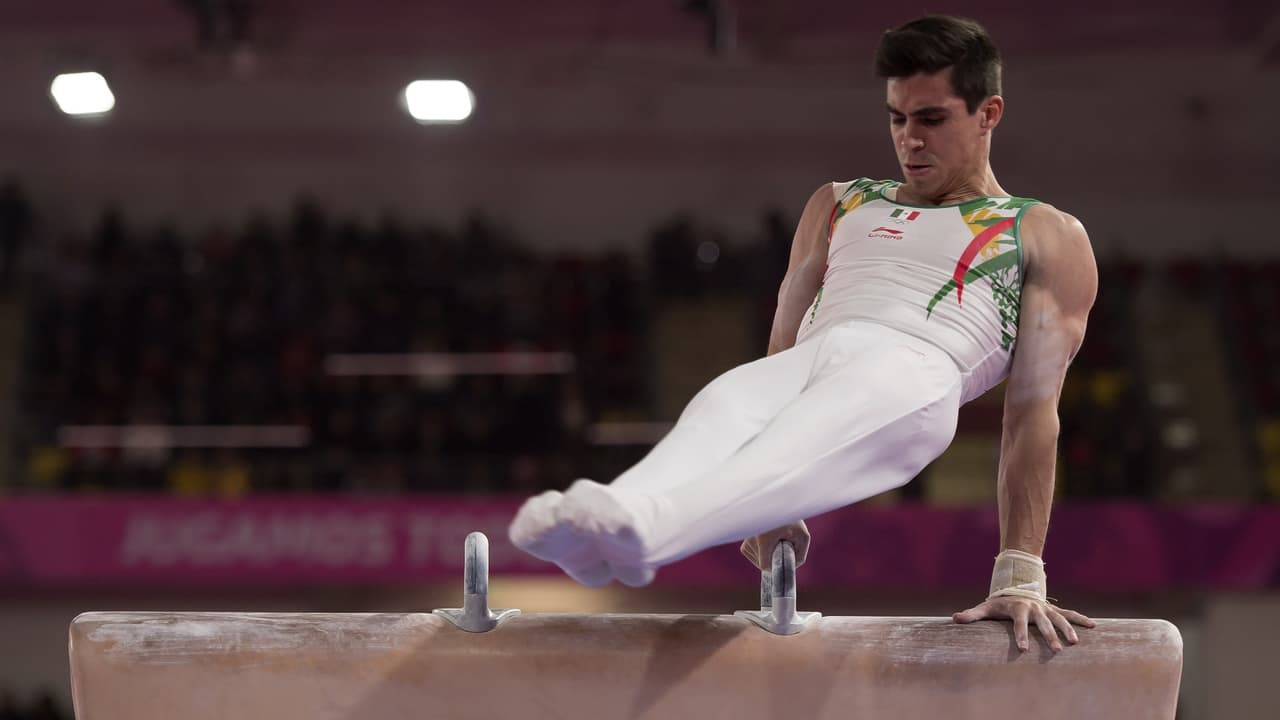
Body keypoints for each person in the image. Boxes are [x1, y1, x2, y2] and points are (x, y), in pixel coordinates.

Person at [509, 15, 1098, 653]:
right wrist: (776, 508)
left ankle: (644, 531)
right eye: (897, 119)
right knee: (729, 401)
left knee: (794, 436)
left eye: (931, 119)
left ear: (989, 113)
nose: (910, 140)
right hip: (819, 361)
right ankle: (615, 513)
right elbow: (784, 346)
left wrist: (1020, 573)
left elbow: (1032, 415)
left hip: (915, 377)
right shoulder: (841, 202)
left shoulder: (1041, 232)